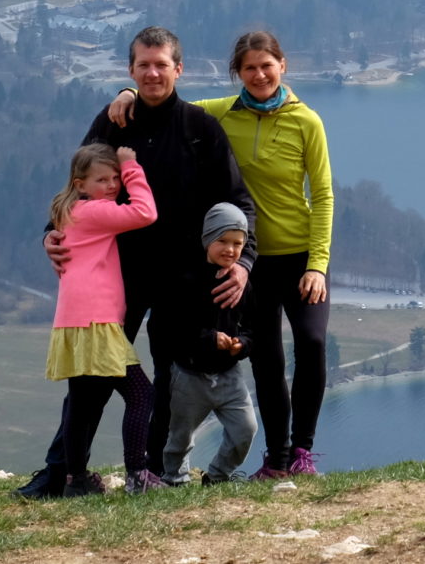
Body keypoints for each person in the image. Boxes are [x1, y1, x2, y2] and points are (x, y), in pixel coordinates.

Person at [14, 26, 258, 498]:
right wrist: (52, 236)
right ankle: (60, 471)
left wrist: (243, 261)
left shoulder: (200, 129)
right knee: (90, 381)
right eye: (142, 65)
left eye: (161, 65)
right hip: (116, 276)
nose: (151, 73)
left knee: (170, 381)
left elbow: (239, 201)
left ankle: (149, 473)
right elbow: (77, 185)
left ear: (178, 69)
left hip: (183, 276)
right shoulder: (112, 122)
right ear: (130, 70)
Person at [108, 29, 333, 477]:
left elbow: (323, 195)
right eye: (249, 68)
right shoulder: (220, 113)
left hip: (300, 255)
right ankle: (277, 458)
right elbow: (168, 101)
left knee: (311, 343)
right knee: (268, 360)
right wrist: (129, 90)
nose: (259, 74)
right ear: (237, 73)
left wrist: (318, 265)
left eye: (267, 66)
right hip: (251, 260)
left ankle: (302, 451)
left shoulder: (307, 120)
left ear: (282, 66)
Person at [42, 144, 156, 497]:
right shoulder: (96, 212)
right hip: (97, 320)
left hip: (74, 319)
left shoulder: (69, 211)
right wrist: (132, 167)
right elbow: (144, 213)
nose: (112, 185)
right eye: (102, 179)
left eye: (115, 179)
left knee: (82, 403)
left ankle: (75, 481)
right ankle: (138, 475)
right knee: (141, 394)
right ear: (80, 183)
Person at [158, 203, 258, 485]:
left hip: (229, 375)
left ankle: (217, 476)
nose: (230, 249)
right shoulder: (186, 279)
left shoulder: (241, 283)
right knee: (181, 435)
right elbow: (173, 328)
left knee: (246, 429)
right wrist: (209, 339)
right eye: (222, 241)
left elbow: (253, 327)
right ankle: (175, 478)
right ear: (207, 240)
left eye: (238, 243)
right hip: (190, 375)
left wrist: (243, 344)